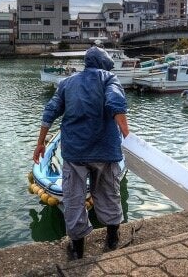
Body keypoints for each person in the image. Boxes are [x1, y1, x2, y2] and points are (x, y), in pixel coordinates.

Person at [33, 45, 130, 260]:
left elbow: (50, 111)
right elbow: (115, 101)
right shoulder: (109, 78)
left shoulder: (67, 83)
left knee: (74, 199)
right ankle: (112, 239)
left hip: (75, 152)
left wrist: (40, 143)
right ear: (105, 63)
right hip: (106, 151)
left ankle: (77, 249)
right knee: (109, 194)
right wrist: (127, 134)